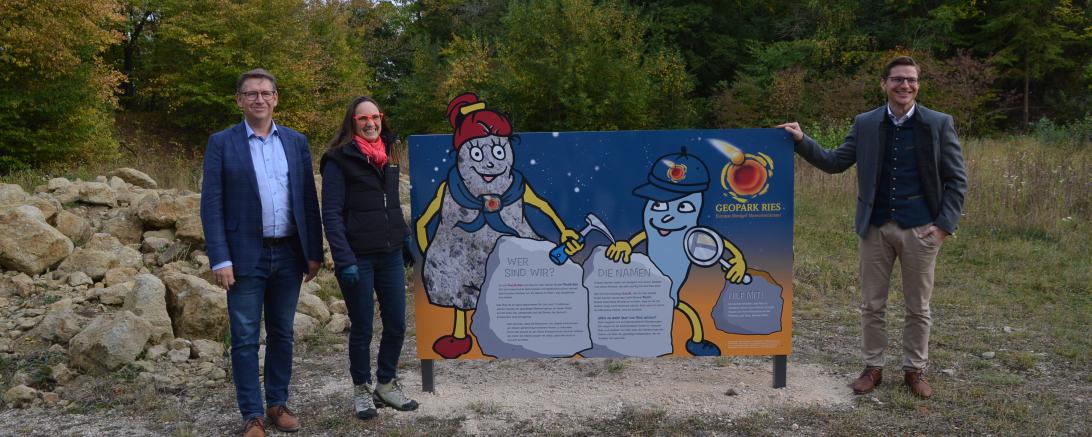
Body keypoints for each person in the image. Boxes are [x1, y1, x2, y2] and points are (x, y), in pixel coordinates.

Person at [778, 56, 967, 399]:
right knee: (872, 304)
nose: (904, 85)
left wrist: (942, 227)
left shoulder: (938, 124)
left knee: (918, 306)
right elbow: (835, 162)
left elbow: (957, 180)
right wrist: (802, 140)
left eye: (911, 80)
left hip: (920, 230)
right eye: (897, 79)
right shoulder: (865, 123)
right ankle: (873, 367)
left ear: (918, 85)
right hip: (875, 228)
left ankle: (914, 370)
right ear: (884, 84)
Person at [201, 68, 323, 437]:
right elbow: (212, 205)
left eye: (265, 93)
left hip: (288, 253)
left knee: (283, 333)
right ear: (239, 100)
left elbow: (307, 199)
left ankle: (277, 404)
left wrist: (313, 251)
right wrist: (220, 258)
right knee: (244, 337)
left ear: (276, 98)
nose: (259, 99)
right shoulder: (222, 142)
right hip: (244, 256)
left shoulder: (296, 142)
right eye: (251, 93)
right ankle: (251, 415)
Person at [320, 96, 419, 420]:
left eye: (375, 117)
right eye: (363, 118)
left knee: (396, 324)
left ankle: (386, 383)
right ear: (352, 122)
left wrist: (404, 237)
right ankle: (361, 388)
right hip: (357, 258)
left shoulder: (388, 155)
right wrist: (343, 258)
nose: (371, 122)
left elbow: (392, 204)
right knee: (362, 326)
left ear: (381, 119)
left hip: (390, 254)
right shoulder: (337, 159)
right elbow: (332, 213)